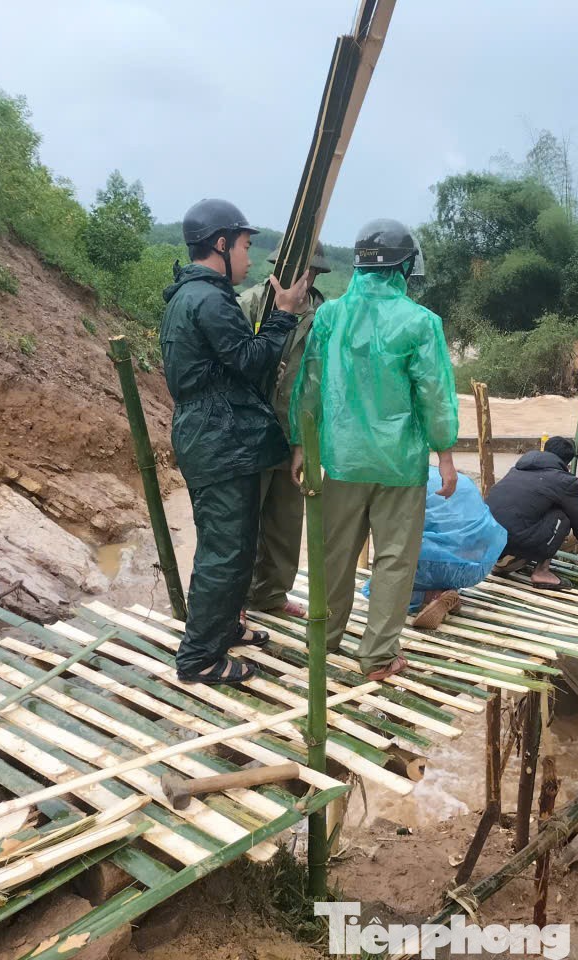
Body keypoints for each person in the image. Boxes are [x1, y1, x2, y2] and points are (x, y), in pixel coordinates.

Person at [290, 218, 459, 682]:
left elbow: (310, 384)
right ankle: (379, 656)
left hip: (340, 459)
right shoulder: (421, 323)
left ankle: (322, 640)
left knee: (333, 554)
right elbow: (434, 394)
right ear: (405, 267)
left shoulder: (329, 316)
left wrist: (303, 446)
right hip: (400, 464)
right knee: (393, 559)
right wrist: (444, 454)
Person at [159, 198, 310, 686]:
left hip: (218, 433)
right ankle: (200, 657)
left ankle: (226, 626)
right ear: (221, 244)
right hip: (219, 437)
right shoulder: (208, 298)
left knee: (235, 545)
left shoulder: (195, 296)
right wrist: (284, 313)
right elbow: (251, 359)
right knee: (224, 551)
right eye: (245, 246)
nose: (248, 258)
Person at [237, 243, 333, 620]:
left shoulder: (324, 317)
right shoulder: (250, 305)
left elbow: (322, 384)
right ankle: (233, 600)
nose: (304, 279)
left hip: (296, 432)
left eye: (312, 273)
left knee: (286, 522)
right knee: (243, 520)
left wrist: (306, 445)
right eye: (298, 270)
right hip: (251, 430)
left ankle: (271, 595)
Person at [363, 466, 507, 630]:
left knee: (373, 588)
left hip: (429, 562)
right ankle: (446, 591)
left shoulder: (404, 481)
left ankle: (425, 596)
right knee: (448, 562)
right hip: (475, 566)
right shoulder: (461, 480)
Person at [487, 436, 578, 590]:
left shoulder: (516, 470)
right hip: (514, 541)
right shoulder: (564, 481)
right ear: (566, 463)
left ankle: (500, 564)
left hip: (487, 542)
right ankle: (542, 572)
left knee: (523, 514)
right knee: (564, 514)